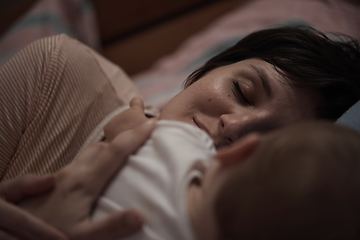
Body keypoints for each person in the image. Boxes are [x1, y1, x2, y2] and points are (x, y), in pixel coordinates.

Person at [1, 25, 360, 238]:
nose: (234, 127)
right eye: (241, 91)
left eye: (268, 144)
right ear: (209, 69)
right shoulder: (56, 75)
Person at [96, 108, 360, 240]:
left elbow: (122, 126)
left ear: (240, 151)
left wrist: (131, 122)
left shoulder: (174, 142)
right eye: (243, 91)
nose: (232, 126)